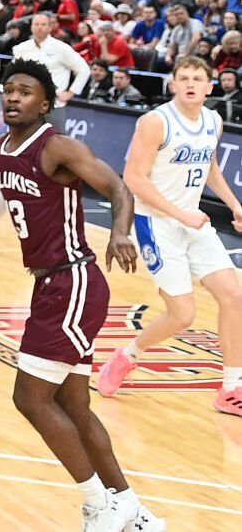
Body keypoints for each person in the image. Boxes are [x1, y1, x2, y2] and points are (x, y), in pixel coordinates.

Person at [0, 60, 161, 532]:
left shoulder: (57, 146)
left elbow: (119, 188)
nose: (13, 98)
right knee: (73, 406)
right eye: (8, 90)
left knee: (29, 397)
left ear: (45, 103)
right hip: (52, 284)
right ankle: (131, 508)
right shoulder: (5, 148)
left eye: (25, 92)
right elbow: (3, 193)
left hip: (73, 281)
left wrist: (121, 233)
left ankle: (98, 504)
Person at [97, 56, 242, 415]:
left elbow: (209, 167)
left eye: (198, 78)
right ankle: (126, 356)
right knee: (182, 315)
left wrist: (235, 205)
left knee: (234, 296)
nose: (191, 84)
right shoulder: (155, 122)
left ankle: (231, 388)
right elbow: (134, 179)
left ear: (210, 87)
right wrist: (180, 214)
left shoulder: (213, 120)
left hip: (193, 223)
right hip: (157, 225)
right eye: (184, 78)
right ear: (173, 84)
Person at [11, 12, 92, 125]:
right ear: (31, 27)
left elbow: (84, 70)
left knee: (56, 140)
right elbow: (14, 73)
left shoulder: (61, 48)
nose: (39, 27)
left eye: (43, 24)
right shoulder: (22, 48)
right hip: (27, 105)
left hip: (53, 105)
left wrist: (71, 93)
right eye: (37, 24)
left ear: (50, 27)